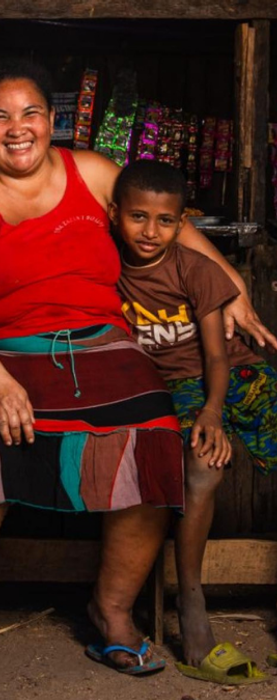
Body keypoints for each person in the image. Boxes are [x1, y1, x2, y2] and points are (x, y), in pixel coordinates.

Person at [0, 59, 275, 684]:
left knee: (153, 431)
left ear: (51, 120)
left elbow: (168, 222)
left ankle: (111, 613)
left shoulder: (91, 171)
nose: (18, 128)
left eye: (30, 113)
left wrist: (232, 287)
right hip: (0, 352)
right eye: (1, 116)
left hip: (104, 344)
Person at [111, 161, 272, 684]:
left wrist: (213, 411)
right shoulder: (102, 267)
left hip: (230, 374)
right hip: (171, 389)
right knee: (203, 467)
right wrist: (204, 420)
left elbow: (217, 356)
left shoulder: (196, 270)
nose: (149, 232)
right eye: (137, 217)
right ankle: (193, 606)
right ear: (115, 215)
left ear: (182, 224)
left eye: (164, 221)